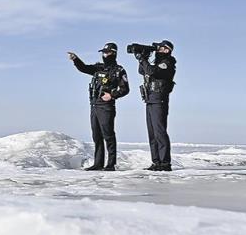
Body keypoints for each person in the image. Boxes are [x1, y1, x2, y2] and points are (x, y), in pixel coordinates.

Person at [68, 42, 130, 171]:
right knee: (96, 135)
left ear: (113, 53)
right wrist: (76, 60)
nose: (104, 55)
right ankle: (98, 163)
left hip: (106, 106)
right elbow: (84, 68)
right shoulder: (98, 68)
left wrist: (112, 95)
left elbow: (125, 89)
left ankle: (111, 164)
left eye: (107, 52)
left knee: (108, 135)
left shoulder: (119, 70)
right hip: (94, 105)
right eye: (103, 52)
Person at [133, 40, 176, 171]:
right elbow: (142, 71)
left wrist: (143, 59)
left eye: (160, 48)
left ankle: (165, 163)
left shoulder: (167, 63)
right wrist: (143, 58)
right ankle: (156, 162)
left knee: (159, 132)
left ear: (167, 50)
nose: (157, 50)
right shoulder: (156, 63)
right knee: (152, 133)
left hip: (159, 100)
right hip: (150, 99)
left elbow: (151, 72)